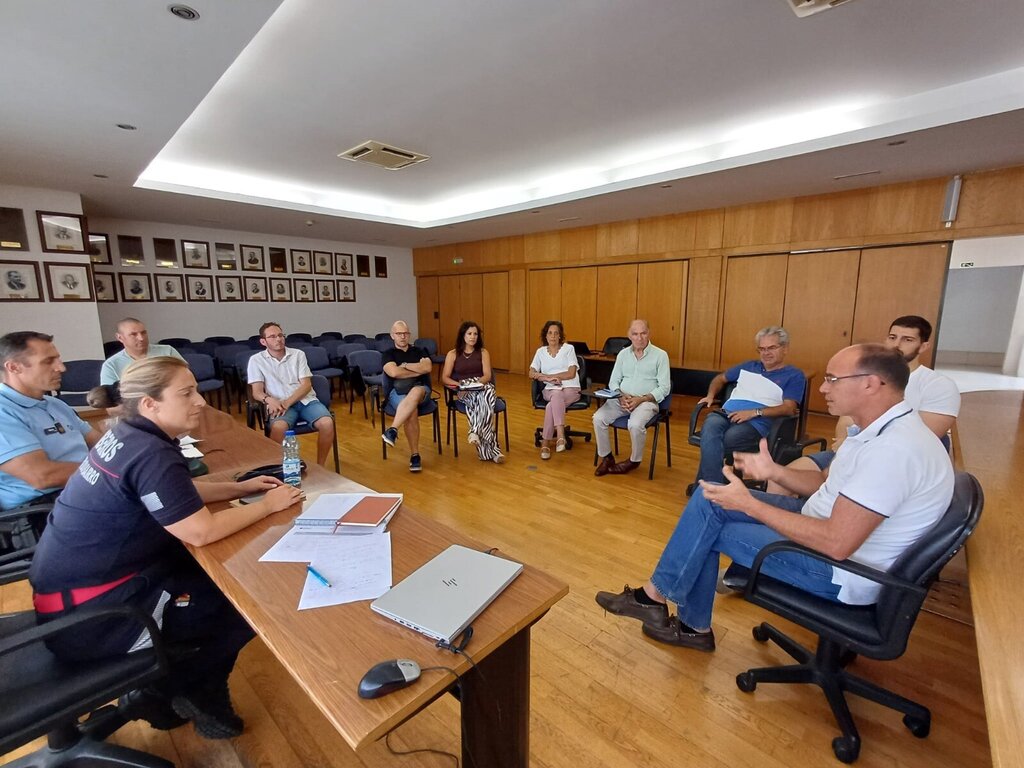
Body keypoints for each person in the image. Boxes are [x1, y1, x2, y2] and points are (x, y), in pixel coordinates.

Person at [595, 344, 954, 652]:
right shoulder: (877, 432)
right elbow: (825, 486)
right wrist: (775, 473)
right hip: (821, 526)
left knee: (708, 529)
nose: (824, 388)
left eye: (833, 379)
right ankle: (660, 603)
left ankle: (677, 616)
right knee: (711, 498)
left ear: (872, 384)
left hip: (839, 572)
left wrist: (750, 503)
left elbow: (837, 543)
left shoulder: (894, 451)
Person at [27, 357, 304, 738]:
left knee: (215, 576)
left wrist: (240, 488)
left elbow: (173, 493)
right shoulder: (150, 452)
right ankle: (171, 690)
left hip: (68, 600)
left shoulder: (128, 435)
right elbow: (199, 532)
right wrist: (269, 506)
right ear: (150, 404)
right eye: (186, 393)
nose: (201, 401)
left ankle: (175, 686)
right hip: (97, 620)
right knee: (249, 602)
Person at [780, 315, 960, 489]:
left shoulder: (938, 385)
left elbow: (921, 437)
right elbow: (846, 420)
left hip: (894, 463)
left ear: (923, 346)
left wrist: (854, 446)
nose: (896, 344)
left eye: (907, 339)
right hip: (851, 450)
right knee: (783, 477)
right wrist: (844, 441)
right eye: (892, 337)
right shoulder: (867, 377)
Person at [688, 326, 805, 494]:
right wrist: (710, 396)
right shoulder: (749, 366)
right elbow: (720, 378)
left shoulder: (794, 375)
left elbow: (789, 408)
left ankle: (705, 489)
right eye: (762, 349)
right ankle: (713, 489)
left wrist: (753, 412)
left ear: (785, 348)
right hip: (725, 413)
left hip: (756, 421)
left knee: (722, 441)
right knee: (710, 429)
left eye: (772, 347)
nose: (766, 353)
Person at [0, 332, 102, 509]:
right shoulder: (4, 411)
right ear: (14, 367)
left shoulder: (55, 404)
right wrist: (109, 470)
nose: (61, 368)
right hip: (42, 508)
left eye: (58, 359)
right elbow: (42, 476)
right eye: (48, 361)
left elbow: (100, 444)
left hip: (84, 488)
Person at [247, 322, 335, 466]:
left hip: (305, 400)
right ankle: (278, 466)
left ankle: (320, 466)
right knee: (278, 428)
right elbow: (257, 392)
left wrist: (287, 403)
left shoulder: (298, 354)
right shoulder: (256, 360)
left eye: (281, 335)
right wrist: (269, 400)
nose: (278, 339)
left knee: (327, 423)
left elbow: (306, 385)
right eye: (273, 336)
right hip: (277, 403)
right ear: (263, 341)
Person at [593, 319, 671, 476]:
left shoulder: (661, 355)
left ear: (649, 333)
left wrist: (641, 399)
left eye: (643, 333)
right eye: (635, 334)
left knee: (635, 424)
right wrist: (620, 395)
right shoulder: (623, 354)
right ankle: (607, 457)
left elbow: (664, 388)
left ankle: (634, 461)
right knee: (598, 418)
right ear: (629, 335)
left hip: (646, 402)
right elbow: (613, 381)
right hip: (621, 399)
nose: (639, 338)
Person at [441, 321, 504, 463]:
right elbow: (445, 378)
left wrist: (477, 384)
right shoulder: (452, 354)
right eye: (469, 333)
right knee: (483, 405)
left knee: (486, 394)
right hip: (464, 388)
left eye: (475, 334)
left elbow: (487, 375)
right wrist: (460, 386)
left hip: (482, 385)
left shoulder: (483, 352)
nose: (473, 337)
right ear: (463, 335)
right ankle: (494, 451)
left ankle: (474, 431)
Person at [380, 320, 433, 473]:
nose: (403, 337)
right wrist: (418, 370)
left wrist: (404, 365)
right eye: (399, 333)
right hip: (397, 393)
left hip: (422, 389)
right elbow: (394, 373)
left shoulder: (419, 350)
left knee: (416, 391)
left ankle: (392, 429)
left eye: (405, 333)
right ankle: (415, 455)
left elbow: (428, 367)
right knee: (412, 410)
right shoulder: (388, 354)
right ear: (392, 335)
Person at [528, 320, 581, 460]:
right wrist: (542, 377)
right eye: (550, 333)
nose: (552, 336)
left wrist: (549, 377)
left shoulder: (569, 349)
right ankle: (560, 436)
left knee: (552, 405)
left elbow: (571, 373)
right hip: (550, 389)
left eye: (556, 333)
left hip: (571, 388)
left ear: (560, 336)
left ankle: (545, 443)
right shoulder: (540, 352)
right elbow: (531, 372)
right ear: (545, 336)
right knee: (556, 394)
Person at [100, 318, 184, 385]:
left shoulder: (168, 351)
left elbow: (186, 376)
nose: (141, 338)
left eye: (144, 333)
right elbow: (110, 400)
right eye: (133, 334)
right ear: (120, 337)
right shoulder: (111, 365)